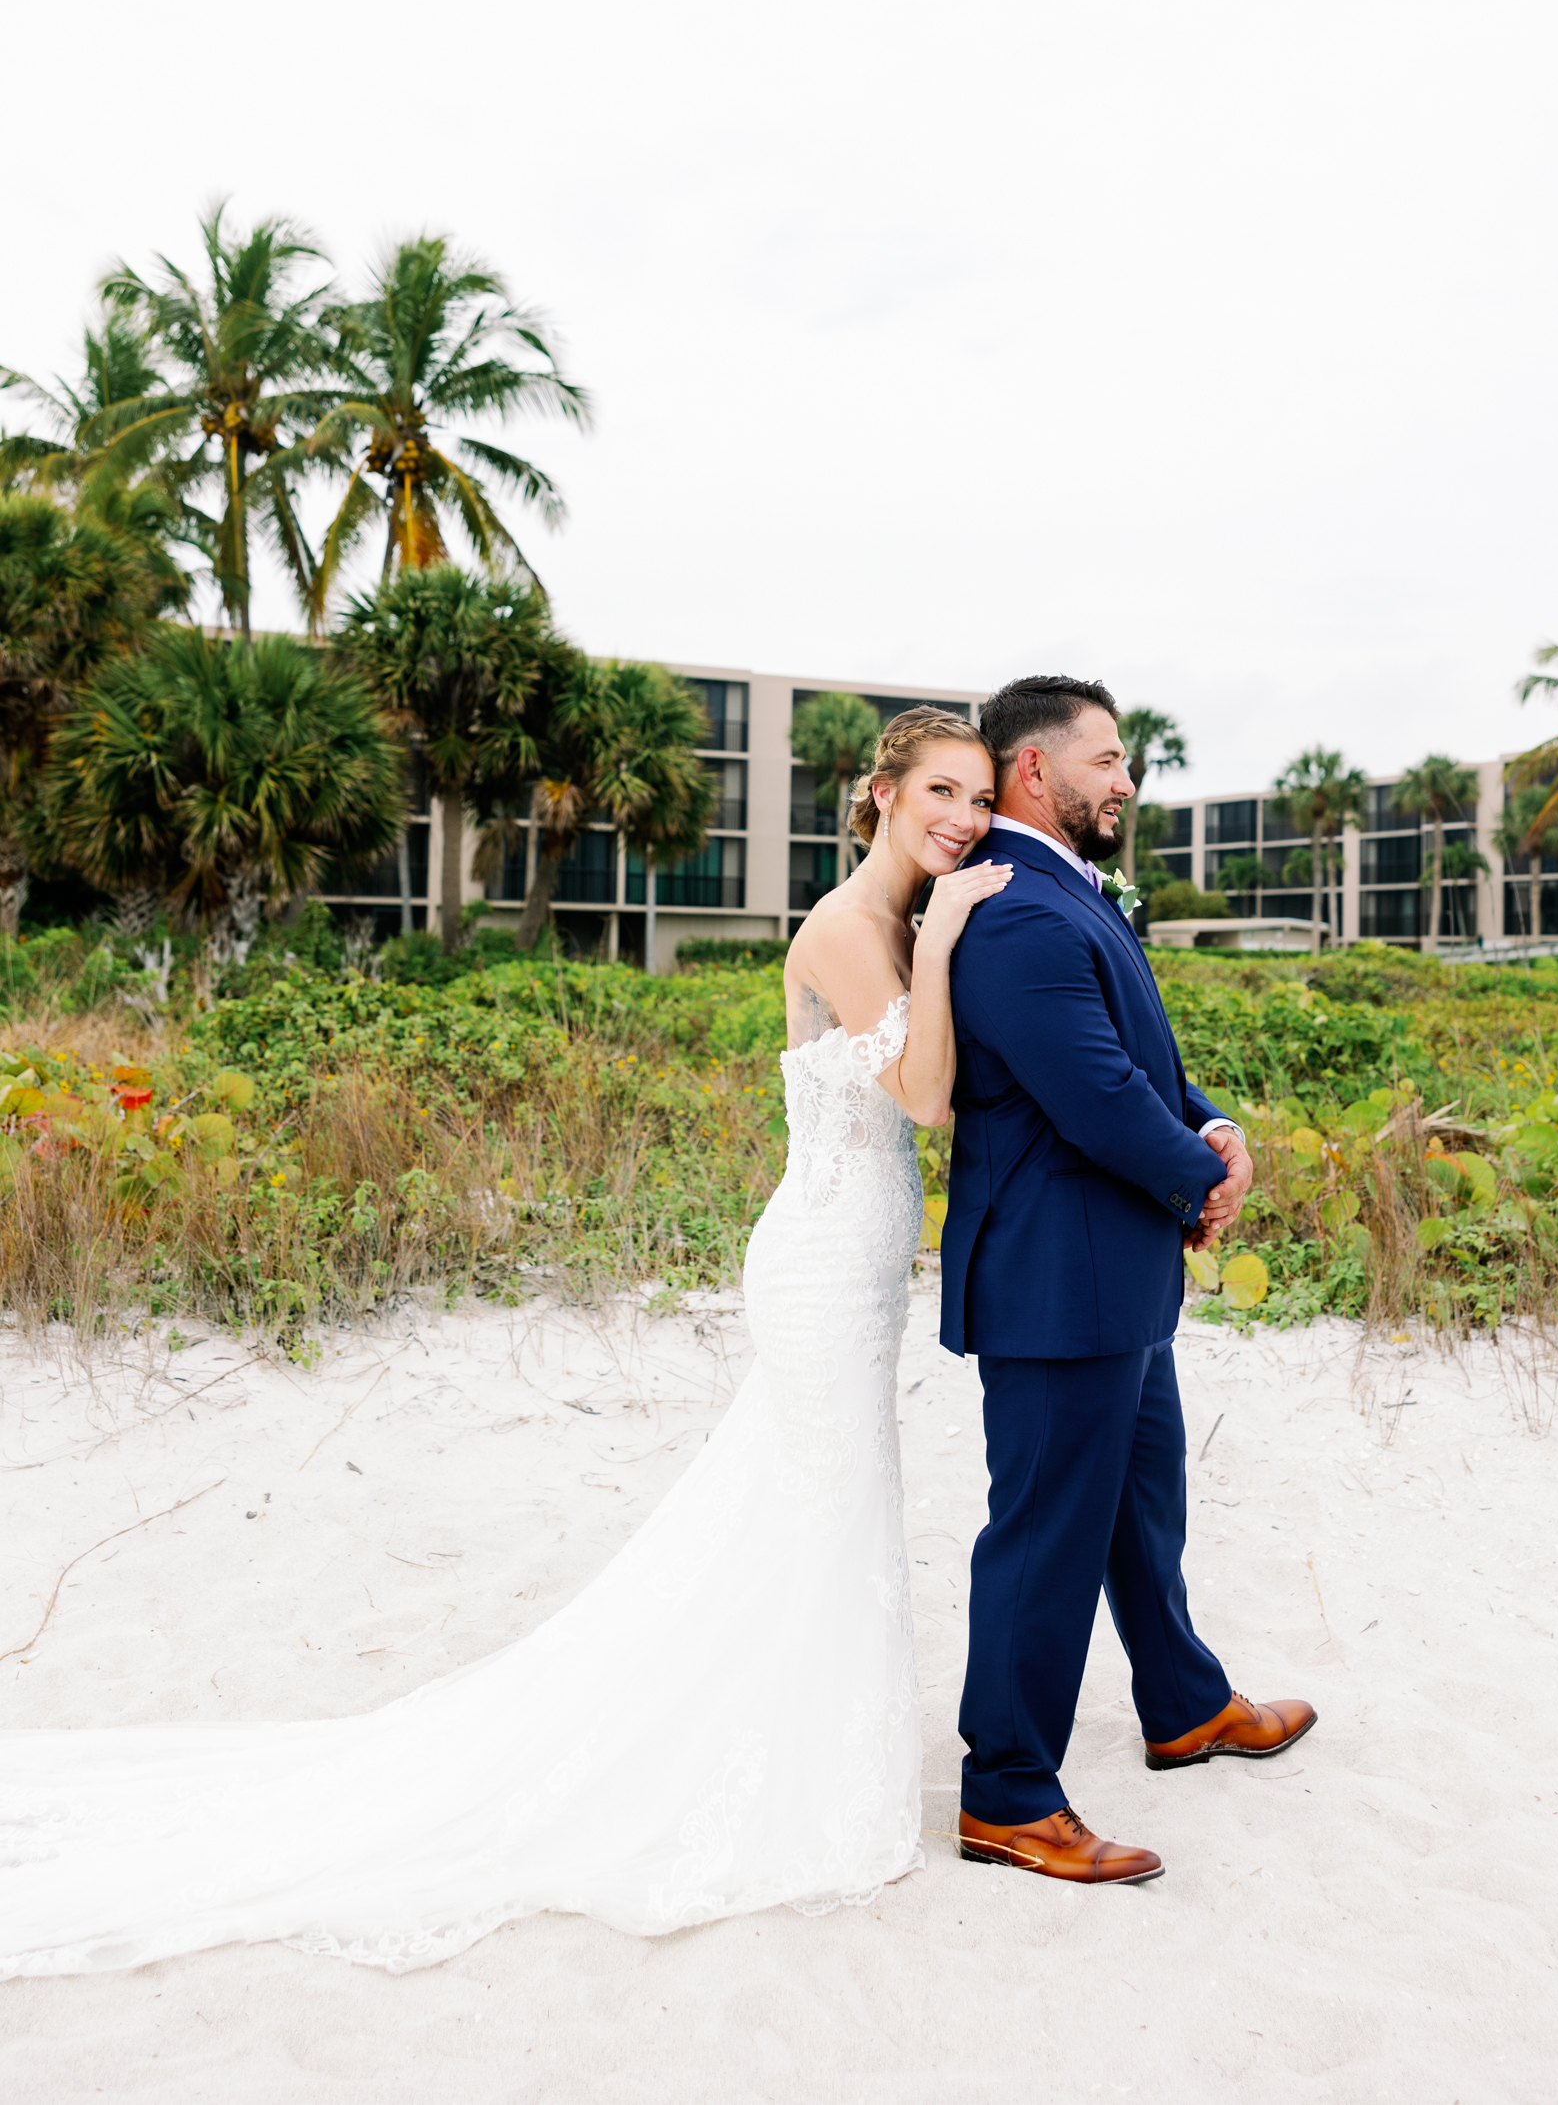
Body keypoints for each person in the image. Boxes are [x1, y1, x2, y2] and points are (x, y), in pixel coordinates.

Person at [0, 707, 1008, 1979]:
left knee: (820, 1511)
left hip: (862, 1262)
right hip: (816, 1259)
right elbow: (921, 1094)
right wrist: (956, 932)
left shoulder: (906, 925)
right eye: (939, 790)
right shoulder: (850, 928)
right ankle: (767, 1768)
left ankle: (797, 1747)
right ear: (877, 793)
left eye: (976, 796)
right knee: (823, 1502)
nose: (962, 818)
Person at [941, 675, 1315, 1886]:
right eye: (1108, 760)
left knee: (1139, 1506)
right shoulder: (1009, 911)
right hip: (1057, 1284)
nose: (1127, 781)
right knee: (1045, 1533)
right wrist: (1197, 1184)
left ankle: (1182, 1704)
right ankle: (1004, 1790)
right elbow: (1092, 1094)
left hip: (1114, 1277)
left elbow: (1142, 1058)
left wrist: (1213, 1129)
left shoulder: (1065, 895)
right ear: (1035, 772)